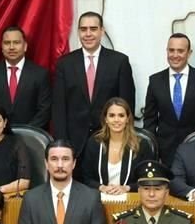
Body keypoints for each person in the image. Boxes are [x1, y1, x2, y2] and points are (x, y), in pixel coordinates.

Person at [52, 11, 136, 156]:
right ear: (78, 32)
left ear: (102, 31)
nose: (88, 34)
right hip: (74, 145)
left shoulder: (119, 62)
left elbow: (127, 104)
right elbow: (59, 109)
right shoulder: (65, 64)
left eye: (93, 29)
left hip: (110, 142)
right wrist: (63, 145)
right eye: (83, 29)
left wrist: (122, 140)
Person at [141, 33, 195, 165]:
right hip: (164, 152)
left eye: (180, 51)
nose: (175, 55)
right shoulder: (155, 81)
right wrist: (151, 151)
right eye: (171, 50)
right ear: (167, 51)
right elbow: (150, 120)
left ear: (189, 53)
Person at [0, 26, 52, 129]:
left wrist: (26, 133)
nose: (11, 47)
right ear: (1, 46)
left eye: (16, 42)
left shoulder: (40, 74)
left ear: (25, 46)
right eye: (7, 43)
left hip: (31, 138)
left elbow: (45, 110)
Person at [79, 98, 154, 194]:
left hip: (130, 199)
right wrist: (101, 187)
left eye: (121, 115)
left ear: (127, 119)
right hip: (99, 199)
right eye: (112, 115)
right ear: (105, 119)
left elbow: (148, 178)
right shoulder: (94, 143)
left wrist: (127, 188)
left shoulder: (141, 145)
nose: (116, 120)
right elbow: (86, 178)